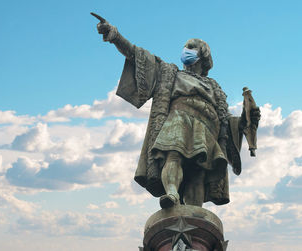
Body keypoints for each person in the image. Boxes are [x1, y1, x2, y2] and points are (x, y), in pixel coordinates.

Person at [94, 15, 260, 208]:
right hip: (179, 118)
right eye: (185, 47)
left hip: (207, 128)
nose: (185, 51)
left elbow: (225, 121)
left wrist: (244, 121)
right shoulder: (170, 73)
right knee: (173, 154)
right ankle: (172, 194)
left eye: (190, 47)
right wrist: (115, 36)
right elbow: (137, 56)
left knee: (198, 171)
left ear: (203, 56)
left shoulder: (213, 86)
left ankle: (195, 212)